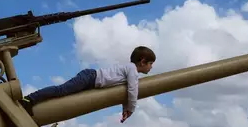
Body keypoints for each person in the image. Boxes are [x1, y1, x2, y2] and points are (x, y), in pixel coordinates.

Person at [19, 46, 156, 122]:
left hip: (91, 80)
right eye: (151, 64)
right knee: (61, 90)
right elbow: (133, 90)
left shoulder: (130, 70)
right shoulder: (132, 69)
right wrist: (131, 109)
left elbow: (126, 91)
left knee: (62, 92)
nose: (151, 67)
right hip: (89, 78)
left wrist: (125, 109)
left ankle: (31, 100)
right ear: (142, 62)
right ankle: (29, 99)